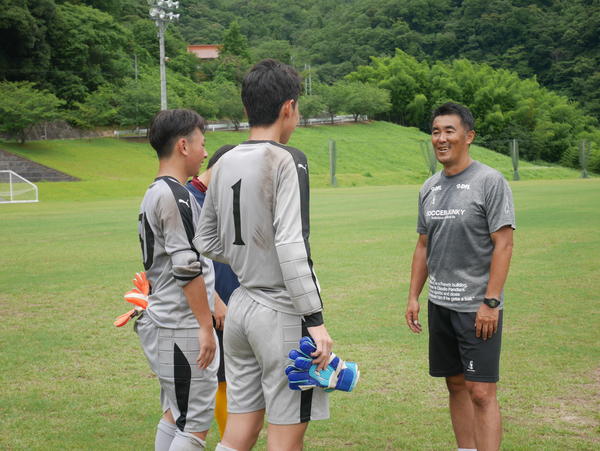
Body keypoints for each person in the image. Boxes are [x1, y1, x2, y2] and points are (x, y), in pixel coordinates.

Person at [193, 59, 334, 451]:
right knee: (286, 436)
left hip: (240, 308)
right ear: (289, 107)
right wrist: (315, 320)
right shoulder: (287, 158)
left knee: (239, 432)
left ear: (246, 107)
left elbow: (205, 240)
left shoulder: (224, 160)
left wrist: (246, 258)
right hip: (281, 311)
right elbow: (292, 244)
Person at [405, 102, 515, 451]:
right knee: (454, 384)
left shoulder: (489, 181)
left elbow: (504, 244)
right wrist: (413, 296)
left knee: (481, 391)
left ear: (469, 136)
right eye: (436, 131)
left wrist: (491, 302)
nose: (441, 138)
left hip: (476, 307)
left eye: (449, 131)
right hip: (440, 304)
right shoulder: (429, 187)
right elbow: (423, 245)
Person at [135, 109, 218, 451]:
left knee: (175, 413)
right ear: (184, 146)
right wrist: (205, 325)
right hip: (180, 325)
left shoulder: (155, 191)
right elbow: (186, 267)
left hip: (166, 321)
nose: (205, 153)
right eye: (202, 143)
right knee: (194, 424)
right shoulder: (175, 195)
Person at [186, 144, 240, 439]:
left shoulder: (223, 196)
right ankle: (229, 439)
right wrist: (214, 300)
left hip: (237, 296)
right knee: (221, 378)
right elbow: (187, 262)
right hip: (211, 305)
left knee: (238, 375)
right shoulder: (188, 199)